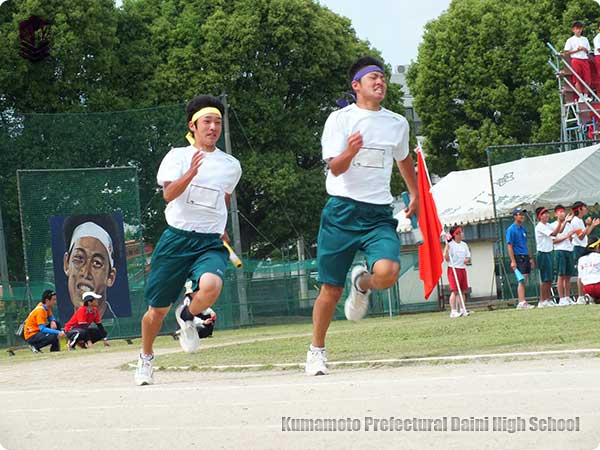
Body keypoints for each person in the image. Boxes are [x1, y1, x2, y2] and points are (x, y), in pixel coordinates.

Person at [305, 56, 419, 376]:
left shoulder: (397, 123)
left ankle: (362, 282)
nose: (380, 82)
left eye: (383, 77)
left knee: (388, 271)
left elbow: (403, 159)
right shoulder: (339, 120)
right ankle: (316, 351)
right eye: (373, 78)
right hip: (341, 211)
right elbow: (335, 168)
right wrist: (350, 151)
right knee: (330, 290)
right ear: (356, 86)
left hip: (378, 213)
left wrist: (415, 193)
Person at [135, 95, 242, 386]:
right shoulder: (177, 157)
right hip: (176, 240)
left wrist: (221, 226)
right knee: (156, 311)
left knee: (211, 285)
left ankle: (187, 314)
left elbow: (223, 198)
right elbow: (169, 194)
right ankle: (146, 358)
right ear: (193, 126)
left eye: (218, 122)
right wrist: (192, 172)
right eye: (207, 121)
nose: (213, 127)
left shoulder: (231, 165)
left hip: (209, 242)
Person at [62, 214, 121, 318]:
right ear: (67, 264)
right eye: (79, 258)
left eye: (97, 263)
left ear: (110, 277)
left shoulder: (118, 326)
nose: (86, 272)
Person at [570, 201, 600, 304]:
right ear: (579, 209)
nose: (586, 209)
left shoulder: (579, 220)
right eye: (584, 207)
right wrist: (588, 225)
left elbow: (585, 234)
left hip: (582, 247)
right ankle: (580, 297)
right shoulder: (575, 221)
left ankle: (589, 295)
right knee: (581, 273)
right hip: (578, 248)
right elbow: (581, 236)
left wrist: (592, 225)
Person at [505, 208, 535, 309]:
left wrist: (530, 258)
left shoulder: (523, 229)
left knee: (524, 278)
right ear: (515, 216)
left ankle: (523, 301)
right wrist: (513, 261)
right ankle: (521, 302)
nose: (522, 216)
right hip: (518, 256)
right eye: (520, 214)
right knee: (521, 279)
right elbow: (509, 245)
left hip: (525, 256)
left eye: (523, 214)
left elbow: (525, 244)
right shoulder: (511, 229)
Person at [534, 206, 562, 308]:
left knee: (549, 279)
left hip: (549, 253)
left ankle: (548, 299)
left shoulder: (548, 225)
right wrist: (560, 221)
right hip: (542, 254)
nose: (547, 215)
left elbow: (559, 231)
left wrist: (563, 221)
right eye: (544, 213)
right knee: (545, 279)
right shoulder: (540, 226)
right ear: (539, 216)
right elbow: (554, 233)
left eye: (547, 213)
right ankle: (542, 301)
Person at [551, 205, 577, 305]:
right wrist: (566, 236)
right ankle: (561, 298)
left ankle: (567, 297)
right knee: (561, 275)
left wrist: (570, 238)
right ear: (556, 214)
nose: (563, 213)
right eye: (560, 212)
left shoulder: (569, 225)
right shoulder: (553, 225)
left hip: (569, 250)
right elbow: (554, 241)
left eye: (563, 211)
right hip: (560, 251)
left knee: (568, 276)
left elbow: (572, 238)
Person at [444, 226, 471, 318]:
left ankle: (463, 309)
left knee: (462, 291)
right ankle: (453, 311)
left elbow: (468, 256)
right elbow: (447, 259)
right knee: (455, 291)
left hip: (462, 269)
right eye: (458, 233)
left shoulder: (464, 245)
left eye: (461, 232)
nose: (461, 234)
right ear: (454, 235)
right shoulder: (450, 245)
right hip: (453, 269)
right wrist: (446, 249)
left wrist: (466, 260)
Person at [564, 21, 592, 101]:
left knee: (588, 79)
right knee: (577, 78)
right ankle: (580, 96)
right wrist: (577, 50)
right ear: (573, 29)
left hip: (584, 59)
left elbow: (588, 51)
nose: (578, 30)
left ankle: (586, 95)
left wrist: (584, 49)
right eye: (577, 29)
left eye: (580, 29)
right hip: (575, 59)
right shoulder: (570, 40)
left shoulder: (585, 39)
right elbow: (567, 52)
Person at [577, 235, 600, 303]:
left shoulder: (581, 259)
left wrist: (580, 296)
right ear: (597, 246)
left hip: (587, 288)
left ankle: (591, 297)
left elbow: (579, 279)